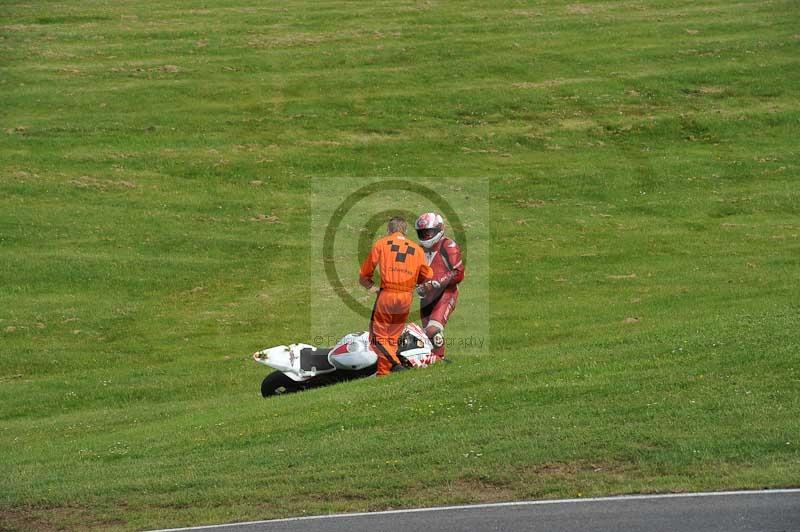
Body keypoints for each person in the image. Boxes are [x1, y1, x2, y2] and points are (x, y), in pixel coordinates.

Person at [359, 217, 433, 376]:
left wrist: (373, 289)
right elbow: (427, 275)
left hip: (388, 294)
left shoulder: (382, 244)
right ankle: (383, 373)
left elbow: (364, 275)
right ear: (405, 231)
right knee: (392, 337)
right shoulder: (417, 249)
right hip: (406, 297)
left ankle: (395, 365)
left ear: (388, 230)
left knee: (377, 338)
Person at [414, 212, 464, 360]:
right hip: (426, 298)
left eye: (429, 232)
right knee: (426, 335)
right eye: (422, 233)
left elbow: (459, 273)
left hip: (446, 294)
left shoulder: (448, 245)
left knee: (433, 330)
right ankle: (435, 361)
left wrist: (436, 283)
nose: (426, 236)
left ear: (438, 229)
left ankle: (439, 359)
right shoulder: (418, 249)